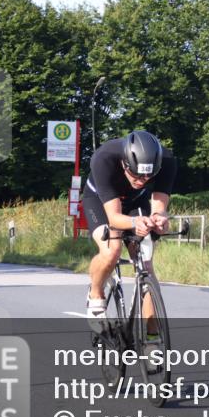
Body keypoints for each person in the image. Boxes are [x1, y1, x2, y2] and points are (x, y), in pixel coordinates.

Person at [82, 131, 177, 345]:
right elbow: (114, 217)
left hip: (135, 204)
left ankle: (152, 337)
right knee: (111, 250)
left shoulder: (167, 161)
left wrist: (159, 219)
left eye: (148, 177)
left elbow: (159, 207)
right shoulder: (104, 157)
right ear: (125, 164)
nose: (142, 181)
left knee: (146, 264)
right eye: (136, 175)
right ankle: (96, 295)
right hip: (100, 201)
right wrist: (135, 223)